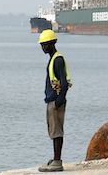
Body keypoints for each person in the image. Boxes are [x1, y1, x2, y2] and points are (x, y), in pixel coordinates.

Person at [38, 30, 70, 172]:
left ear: (53, 43)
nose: (43, 47)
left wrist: (59, 100)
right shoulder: (53, 59)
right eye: (42, 45)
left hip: (55, 101)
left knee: (56, 132)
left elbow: (63, 82)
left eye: (45, 44)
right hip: (52, 100)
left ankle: (57, 162)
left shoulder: (57, 60)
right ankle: (55, 158)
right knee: (53, 131)